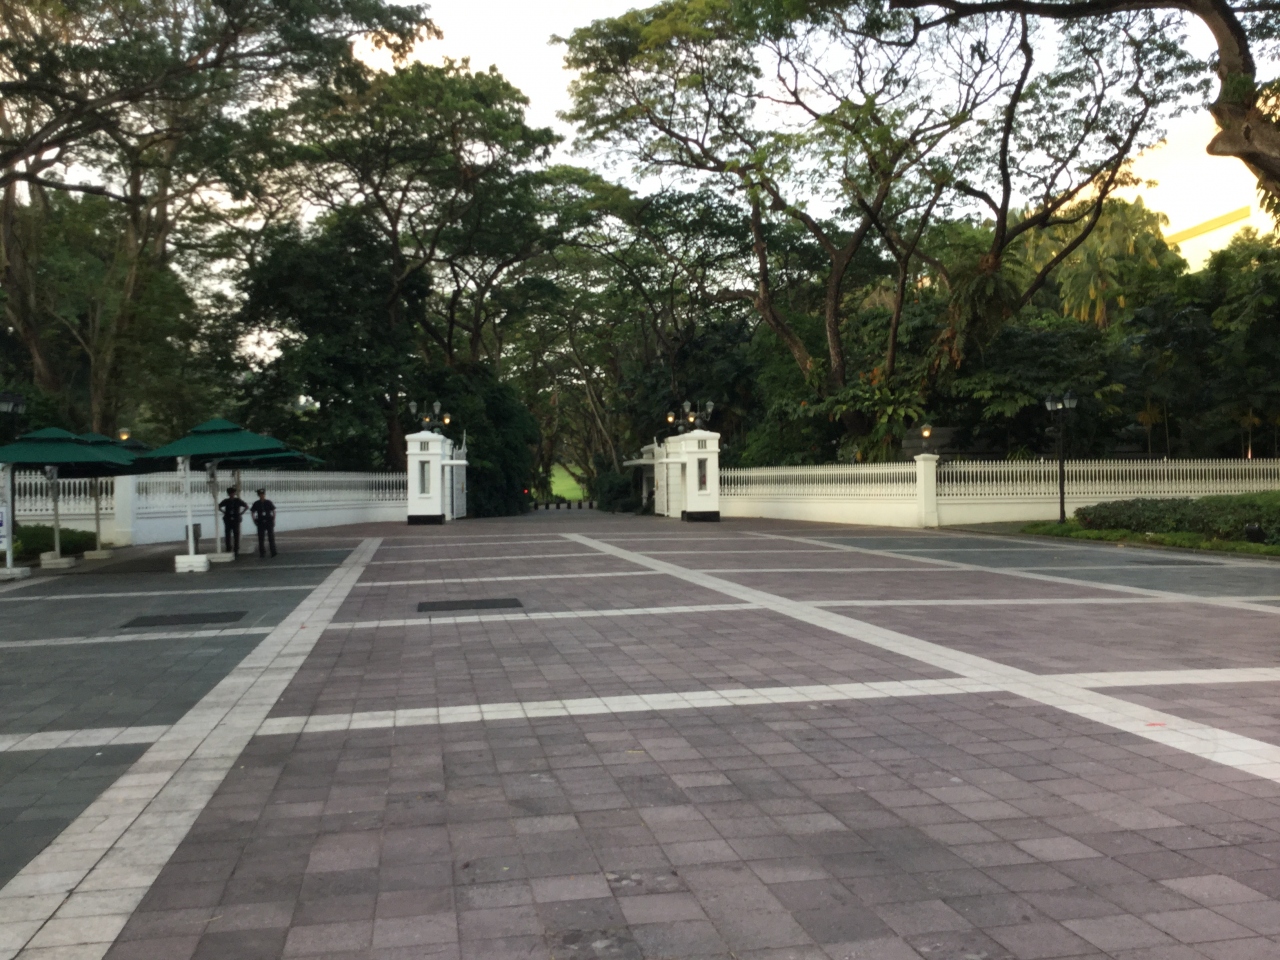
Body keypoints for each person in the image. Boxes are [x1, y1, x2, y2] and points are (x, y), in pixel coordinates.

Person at [218, 487, 248, 556]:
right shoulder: (226, 501)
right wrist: (224, 512)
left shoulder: (237, 500)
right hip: (228, 519)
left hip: (236, 519)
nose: (232, 495)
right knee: (227, 534)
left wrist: (241, 513)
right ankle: (228, 548)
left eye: (233, 493)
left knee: (236, 534)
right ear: (229, 494)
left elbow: (246, 506)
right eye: (230, 493)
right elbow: (218, 506)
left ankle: (236, 549)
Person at [251, 488, 277, 558]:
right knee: (261, 538)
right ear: (259, 495)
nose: (262, 496)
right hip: (260, 522)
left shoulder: (268, 502)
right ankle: (262, 552)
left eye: (262, 494)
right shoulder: (256, 503)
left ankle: (273, 551)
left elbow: (273, 511)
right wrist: (254, 520)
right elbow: (252, 512)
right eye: (260, 495)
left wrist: (273, 520)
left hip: (268, 521)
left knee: (271, 537)